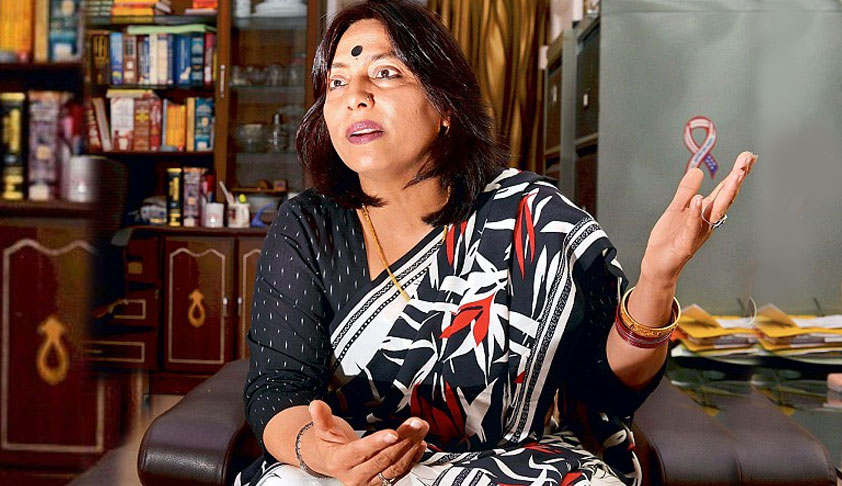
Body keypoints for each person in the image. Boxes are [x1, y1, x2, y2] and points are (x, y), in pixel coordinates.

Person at [236, 1, 756, 485]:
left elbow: (606, 388)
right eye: (336, 82)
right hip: (354, 472)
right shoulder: (308, 226)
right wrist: (325, 451)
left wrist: (658, 279)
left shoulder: (535, 219)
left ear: (445, 106)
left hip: (509, 465)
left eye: (386, 72)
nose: (355, 96)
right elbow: (277, 388)